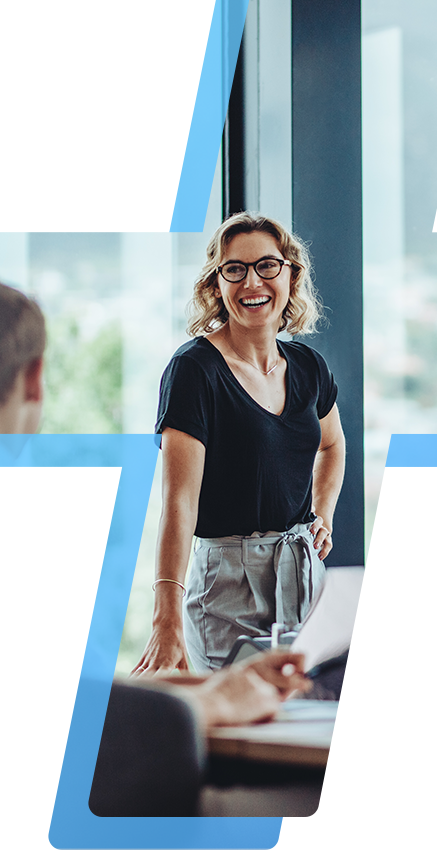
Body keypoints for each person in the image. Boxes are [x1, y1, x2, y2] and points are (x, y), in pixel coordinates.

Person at [0, 274, 309, 827]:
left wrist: (214, 683)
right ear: (34, 380)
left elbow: (38, 682)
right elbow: (83, 718)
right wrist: (224, 703)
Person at [135, 212, 346, 673]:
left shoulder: (309, 367)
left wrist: (323, 514)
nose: (253, 282)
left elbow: (332, 446)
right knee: (238, 735)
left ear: (291, 274)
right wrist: (164, 619)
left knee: (306, 721)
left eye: (267, 265)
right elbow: (178, 503)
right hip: (228, 584)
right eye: (235, 269)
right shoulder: (194, 371)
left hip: (304, 575)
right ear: (216, 283)